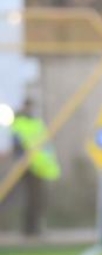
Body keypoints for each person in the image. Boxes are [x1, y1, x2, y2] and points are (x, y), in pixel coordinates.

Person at [10, 98, 61, 238]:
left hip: (40, 166)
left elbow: (45, 144)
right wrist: (20, 161)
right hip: (26, 166)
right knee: (29, 198)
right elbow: (17, 144)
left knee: (39, 199)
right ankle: (29, 230)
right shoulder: (19, 123)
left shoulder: (38, 123)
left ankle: (36, 228)